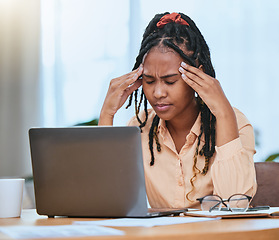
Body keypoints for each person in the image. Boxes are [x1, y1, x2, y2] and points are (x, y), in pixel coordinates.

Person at [99, 12, 257, 209]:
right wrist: (107, 114)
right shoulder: (140, 128)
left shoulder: (235, 122)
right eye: (149, 81)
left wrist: (223, 113)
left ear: (197, 75)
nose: (157, 92)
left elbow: (236, 204)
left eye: (170, 81)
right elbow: (109, 201)